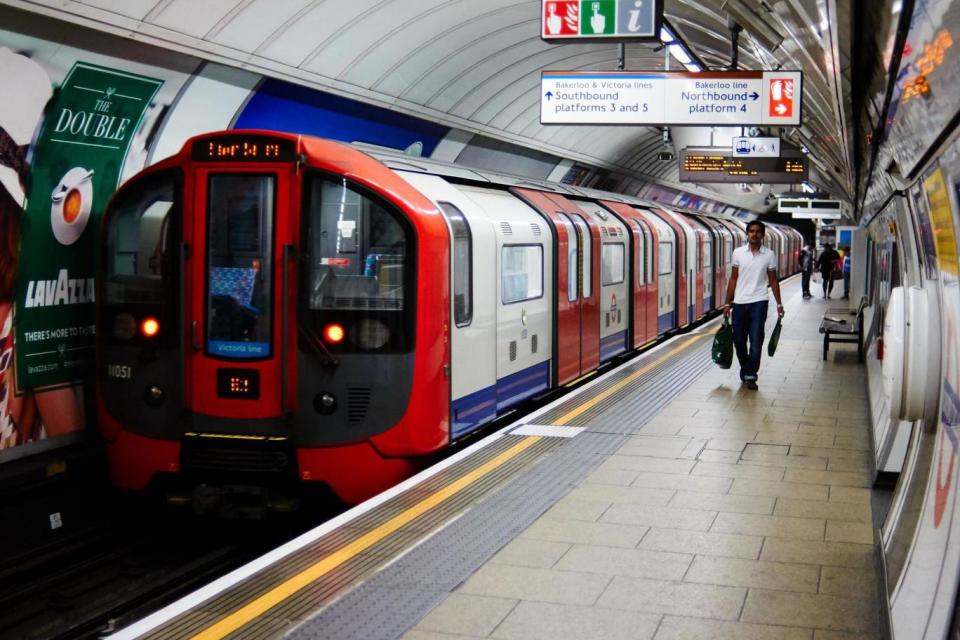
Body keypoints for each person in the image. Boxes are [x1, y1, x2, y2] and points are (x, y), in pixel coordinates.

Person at [722, 220, 784, 391]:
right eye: (751, 231)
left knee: (756, 340)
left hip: (759, 301)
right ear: (747, 234)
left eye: (757, 231)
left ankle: (751, 375)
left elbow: (773, 279)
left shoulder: (769, 255)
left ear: (763, 235)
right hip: (740, 303)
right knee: (739, 340)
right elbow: (733, 278)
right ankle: (746, 368)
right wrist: (727, 302)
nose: (754, 234)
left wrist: (779, 304)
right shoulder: (738, 253)